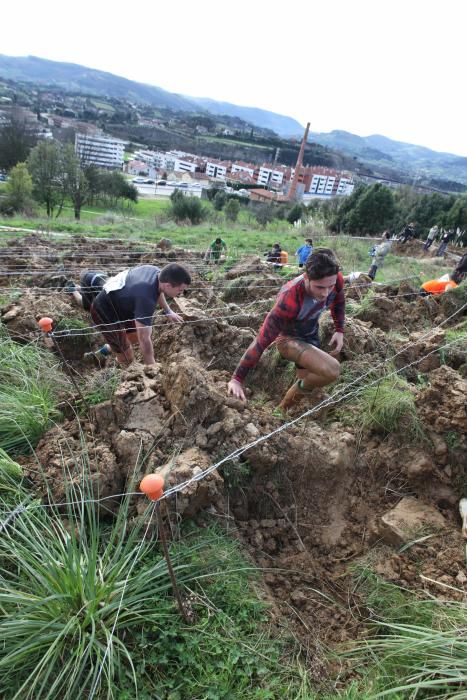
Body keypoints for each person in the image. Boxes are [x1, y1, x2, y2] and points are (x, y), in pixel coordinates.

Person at [227, 248, 344, 411]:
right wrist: (237, 379)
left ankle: (288, 408)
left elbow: (338, 300)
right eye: (319, 287)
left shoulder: (334, 279)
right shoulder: (289, 298)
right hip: (289, 341)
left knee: (306, 377)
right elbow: (262, 340)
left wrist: (339, 329)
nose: (325, 293)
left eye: (329, 287)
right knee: (332, 370)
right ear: (306, 277)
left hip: (311, 334)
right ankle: (283, 408)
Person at [90, 263, 191, 366]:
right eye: (180, 290)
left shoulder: (155, 272)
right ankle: (112, 372)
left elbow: (159, 291)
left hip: (121, 303)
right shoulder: (146, 298)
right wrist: (152, 368)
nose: (181, 293)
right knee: (127, 358)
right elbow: (144, 339)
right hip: (103, 311)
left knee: (134, 336)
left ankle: (104, 351)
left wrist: (168, 311)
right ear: (168, 285)